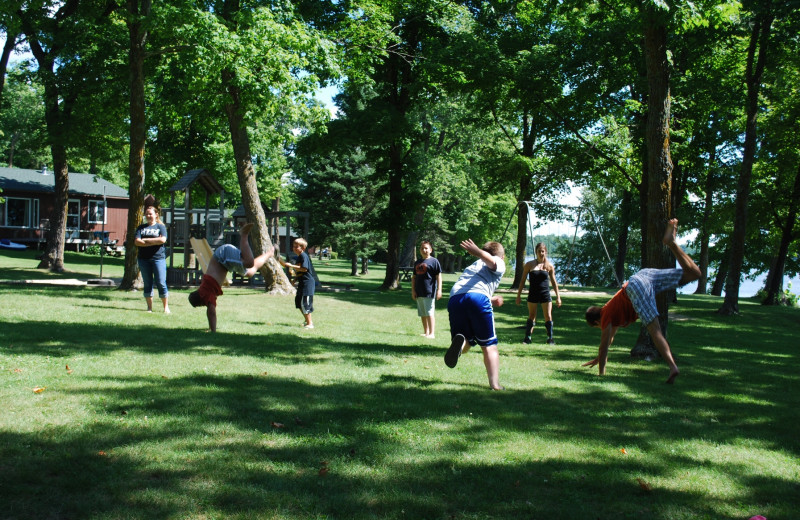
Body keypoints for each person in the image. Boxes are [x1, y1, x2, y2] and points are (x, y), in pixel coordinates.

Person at [582, 219, 701, 384]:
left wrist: (601, 372)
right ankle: (672, 243)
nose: (602, 329)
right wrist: (599, 358)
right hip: (645, 276)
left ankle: (672, 366)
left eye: (598, 326)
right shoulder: (611, 313)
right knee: (694, 274)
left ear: (597, 321)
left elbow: (603, 345)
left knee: (655, 330)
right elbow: (609, 341)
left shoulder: (606, 316)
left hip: (635, 286)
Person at [444, 239, 506, 390]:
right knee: (489, 345)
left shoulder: (473, 265)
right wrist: (477, 251)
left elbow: (470, 289)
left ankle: (460, 344)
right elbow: (492, 262)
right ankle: (495, 384)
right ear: (502, 256)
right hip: (477, 298)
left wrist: (490, 299)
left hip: (455, 299)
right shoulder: (497, 260)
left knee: (465, 342)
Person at [188, 223, 273, 332]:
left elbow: (211, 312)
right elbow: (210, 310)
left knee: (249, 262)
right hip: (225, 262)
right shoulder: (205, 291)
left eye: (200, 305)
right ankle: (270, 253)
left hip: (222, 256)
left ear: (200, 300)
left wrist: (213, 330)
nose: (203, 305)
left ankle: (243, 235)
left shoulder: (205, 293)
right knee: (250, 272)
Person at [515, 242, 561, 344]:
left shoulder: (549, 266)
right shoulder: (529, 265)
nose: (541, 253)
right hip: (533, 294)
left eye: (543, 251)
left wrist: (558, 297)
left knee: (548, 316)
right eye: (539, 251)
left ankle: (550, 338)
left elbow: (554, 282)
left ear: (546, 252)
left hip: (545, 294)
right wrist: (518, 296)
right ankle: (527, 338)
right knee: (531, 315)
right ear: (536, 252)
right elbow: (522, 281)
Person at [135, 204, 170, 314]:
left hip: (158, 259)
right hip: (143, 259)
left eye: (150, 214)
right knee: (147, 283)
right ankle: (149, 308)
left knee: (161, 282)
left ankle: (166, 308)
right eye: (147, 214)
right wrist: (154, 241)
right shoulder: (141, 228)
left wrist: (145, 241)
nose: (148, 216)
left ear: (156, 215)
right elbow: (136, 242)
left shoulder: (161, 227)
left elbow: (162, 240)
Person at [277, 237, 316, 329]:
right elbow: (298, 270)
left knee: (305, 303)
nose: (294, 248)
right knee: (298, 302)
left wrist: (291, 265)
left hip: (308, 283)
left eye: (296, 247)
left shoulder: (303, 256)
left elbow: (304, 269)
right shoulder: (298, 257)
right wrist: (294, 280)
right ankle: (307, 321)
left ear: (302, 248)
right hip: (302, 282)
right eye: (293, 246)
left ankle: (310, 324)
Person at [411, 240, 443, 338]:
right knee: (423, 313)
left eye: (426, 248)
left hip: (429, 291)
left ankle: (432, 333)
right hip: (419, 291)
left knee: (429, 312)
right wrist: (413, 290)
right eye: (422, 248)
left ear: (430, 250)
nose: (424, 250)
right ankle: (426, 332)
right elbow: (414, 277)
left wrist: (439, 290)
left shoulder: (434, 261)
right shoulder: (417, 262)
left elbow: (439, 276)